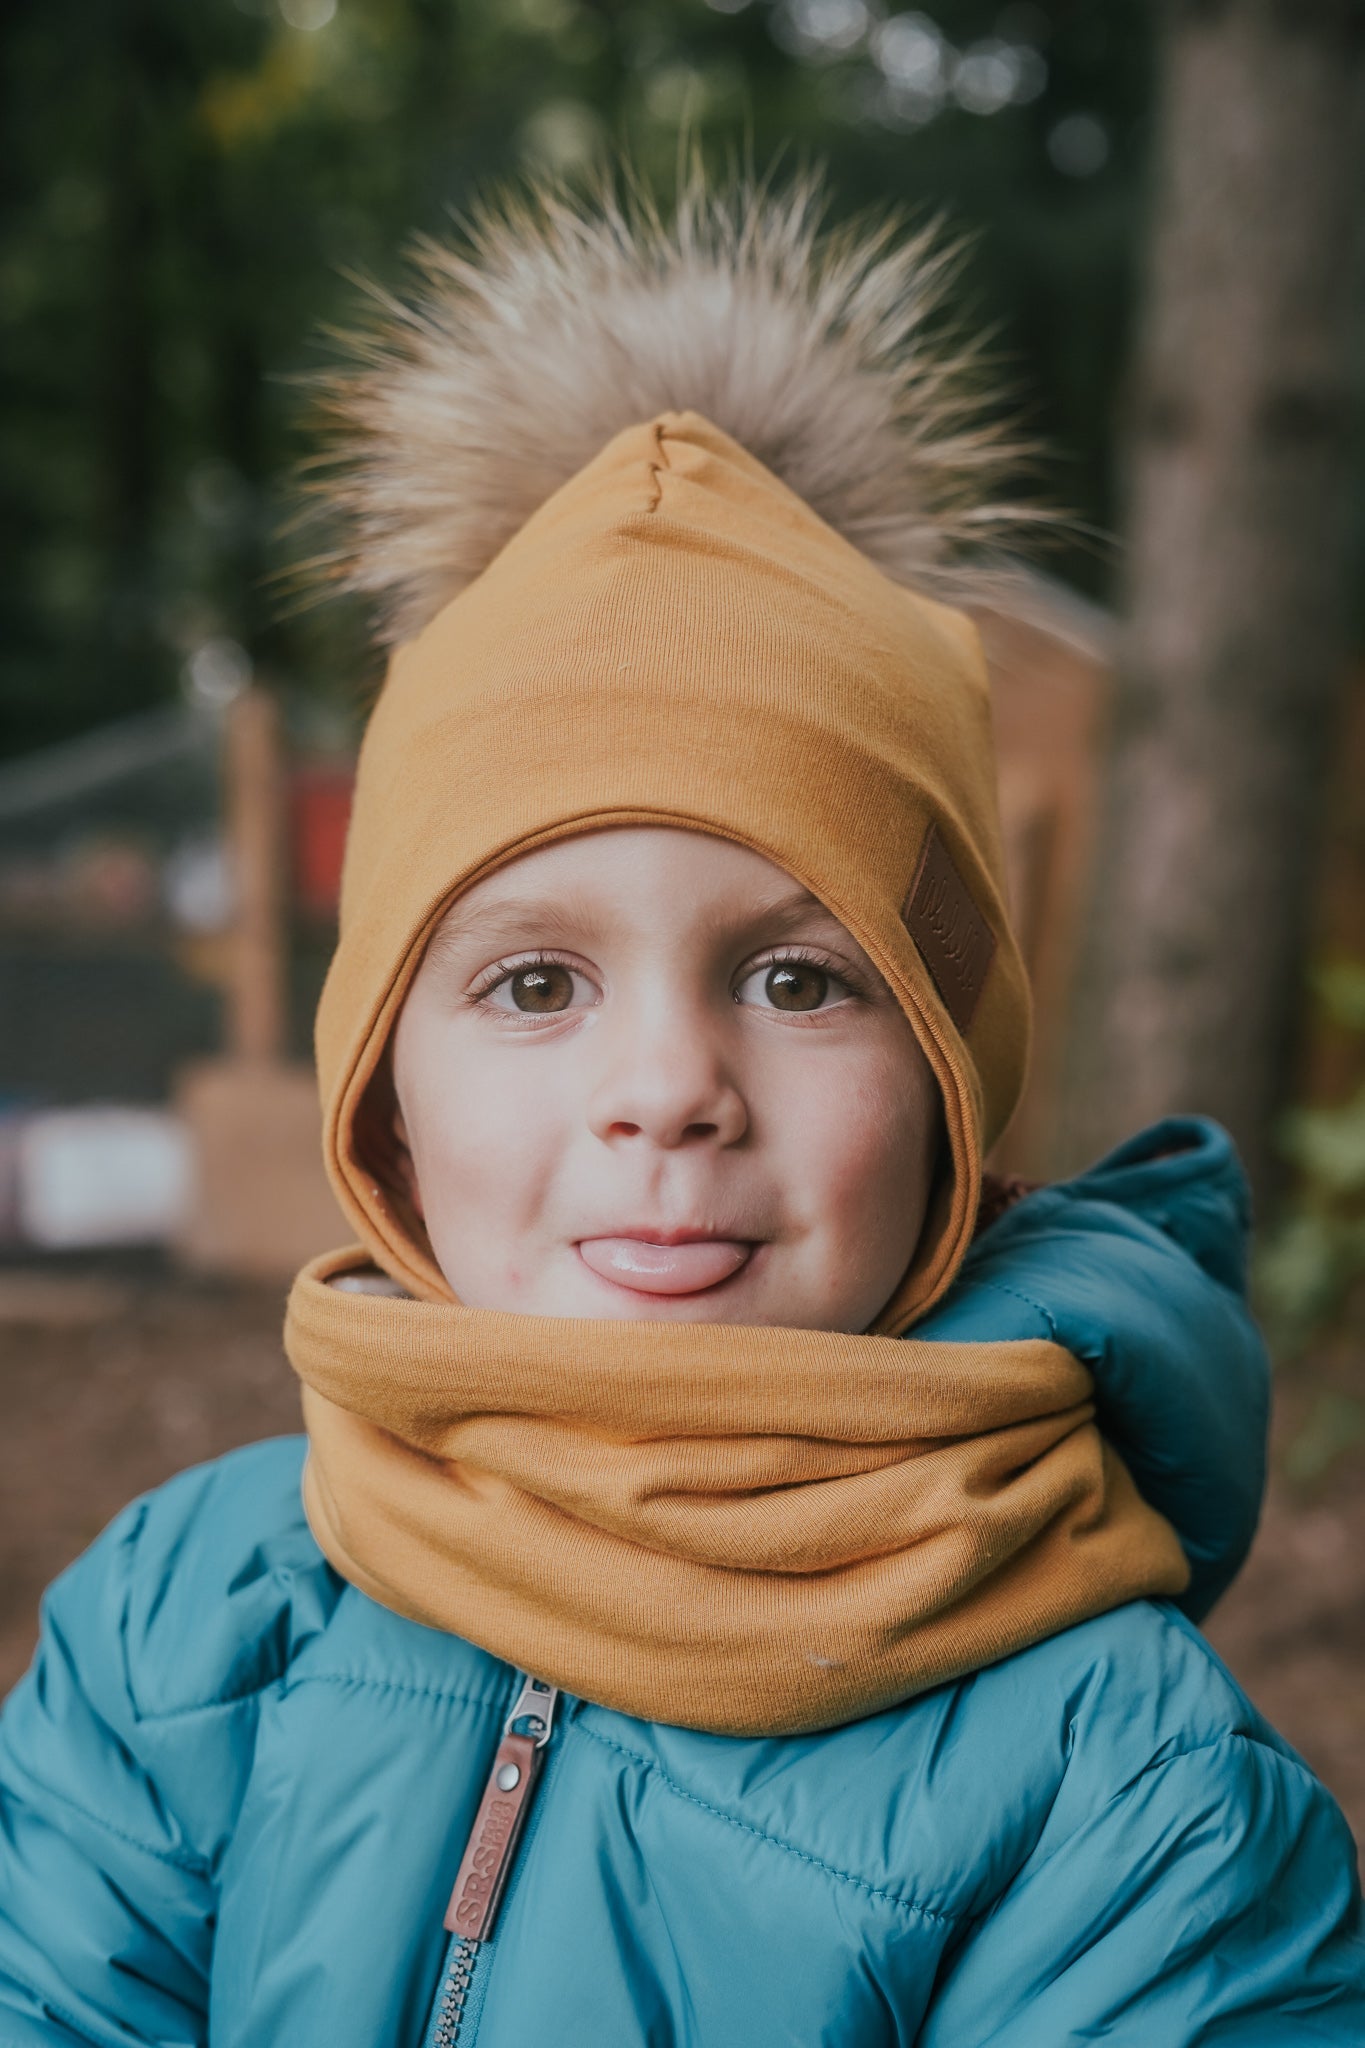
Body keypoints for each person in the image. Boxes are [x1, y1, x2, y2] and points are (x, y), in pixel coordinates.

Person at [1, 174, 1361, 2047]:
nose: (665, 1092)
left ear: (954, 1081)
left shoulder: (1124, 1797)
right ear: (383, 1085)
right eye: (534, 983)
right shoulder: (181, 1636)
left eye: (800, 978)